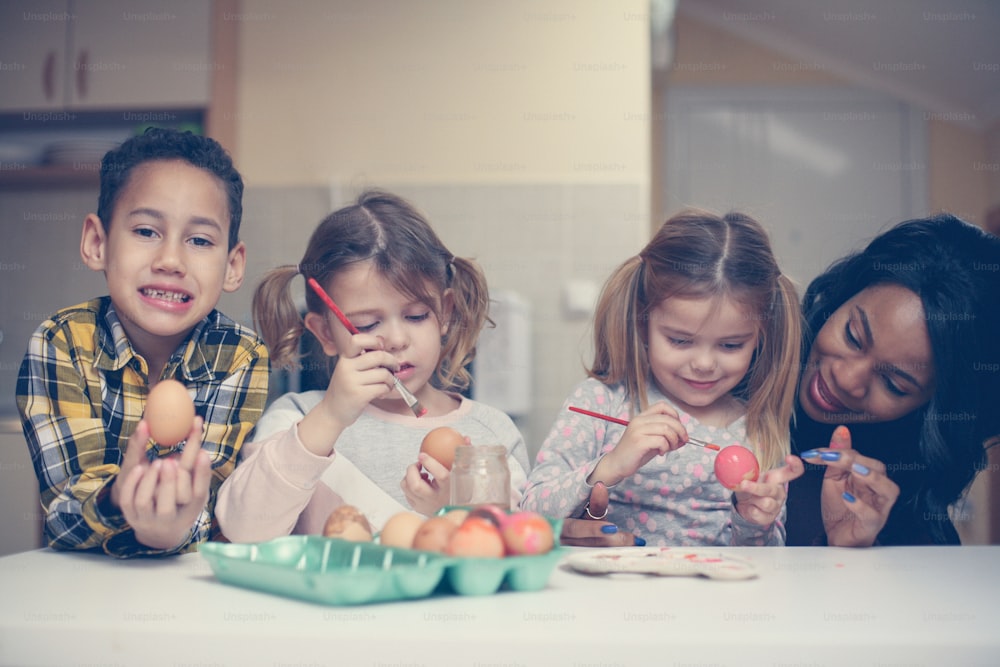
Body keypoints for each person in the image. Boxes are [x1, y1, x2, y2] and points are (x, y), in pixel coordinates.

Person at [215, 189, 529, 541]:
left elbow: (517, 544)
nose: (396, 339)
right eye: (366, 325)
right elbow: (244, 529)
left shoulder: (491, 435)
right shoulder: (296, 419)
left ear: (445, 313)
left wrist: (454, 510)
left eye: (416, 315)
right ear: (326, 334)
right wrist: (330, 417)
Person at [16, 128, 270, 557]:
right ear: (97, 243)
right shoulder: (62, 344)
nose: (170, 261)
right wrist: (119, 498)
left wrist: (175, 526)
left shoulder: (240, 356)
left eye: (200, 241)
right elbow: (63, 514)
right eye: (147, 231)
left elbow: (213, 505)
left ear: (231, 266)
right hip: (79, 584)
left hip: (190, 587)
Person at [520, 210, 804, 546]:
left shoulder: (760, 429)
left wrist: (753, 521)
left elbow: (769, 562)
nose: (703, 363)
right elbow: (531, 512)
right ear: (643, 323)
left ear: (760, 336)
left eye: (730, 345)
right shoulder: (600, 401)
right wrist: (608, 467)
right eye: (680, 340)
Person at [786, 214, 1000, 546]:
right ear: (842, 295)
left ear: (930, 409)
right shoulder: (736, 366)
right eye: (853, 336)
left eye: (894, 385)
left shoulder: (910, 515)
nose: (846, 379)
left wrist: (852, 553)